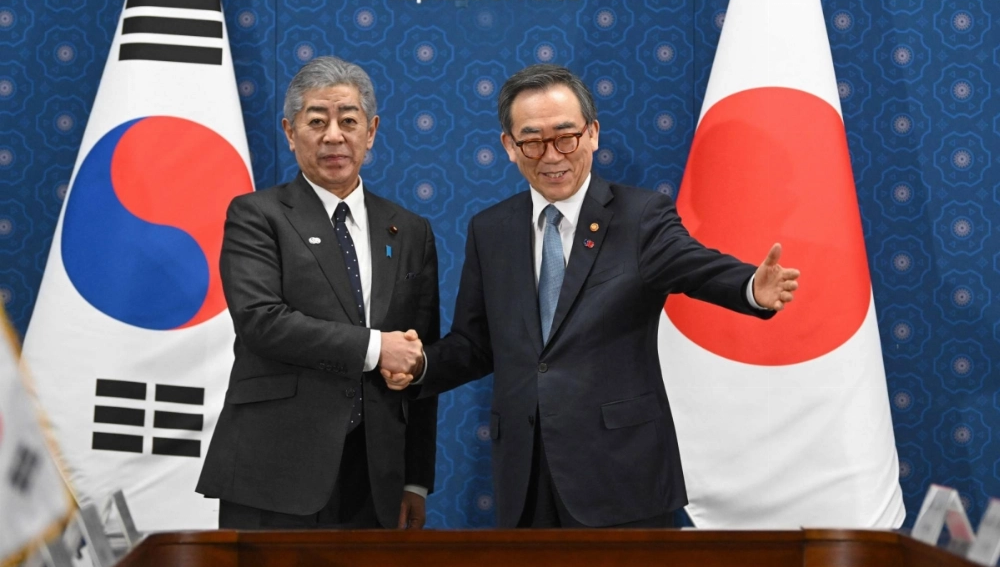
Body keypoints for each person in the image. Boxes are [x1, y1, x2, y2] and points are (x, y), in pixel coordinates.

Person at [384, 64, 800, 528]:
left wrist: (749, 287)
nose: (552, 154)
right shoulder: (491, 229)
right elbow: (476, 343)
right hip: (526, 474)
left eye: (566, 136)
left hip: (622, 473)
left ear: (593, 134)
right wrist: (422, 366)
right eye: (532, 140)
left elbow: (694, 266)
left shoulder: (640, 217)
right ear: (509, 146)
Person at [197, 56, 438, 529]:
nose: (333, 136)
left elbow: (416, 355)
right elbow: (262, 321)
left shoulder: (410, 231)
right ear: (290, 132)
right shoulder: (256, 215)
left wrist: (415, 479)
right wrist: (375, 347)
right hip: (275, 468)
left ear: (371, 132)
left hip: (375, 477)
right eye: (316, 121)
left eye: (348, 121)